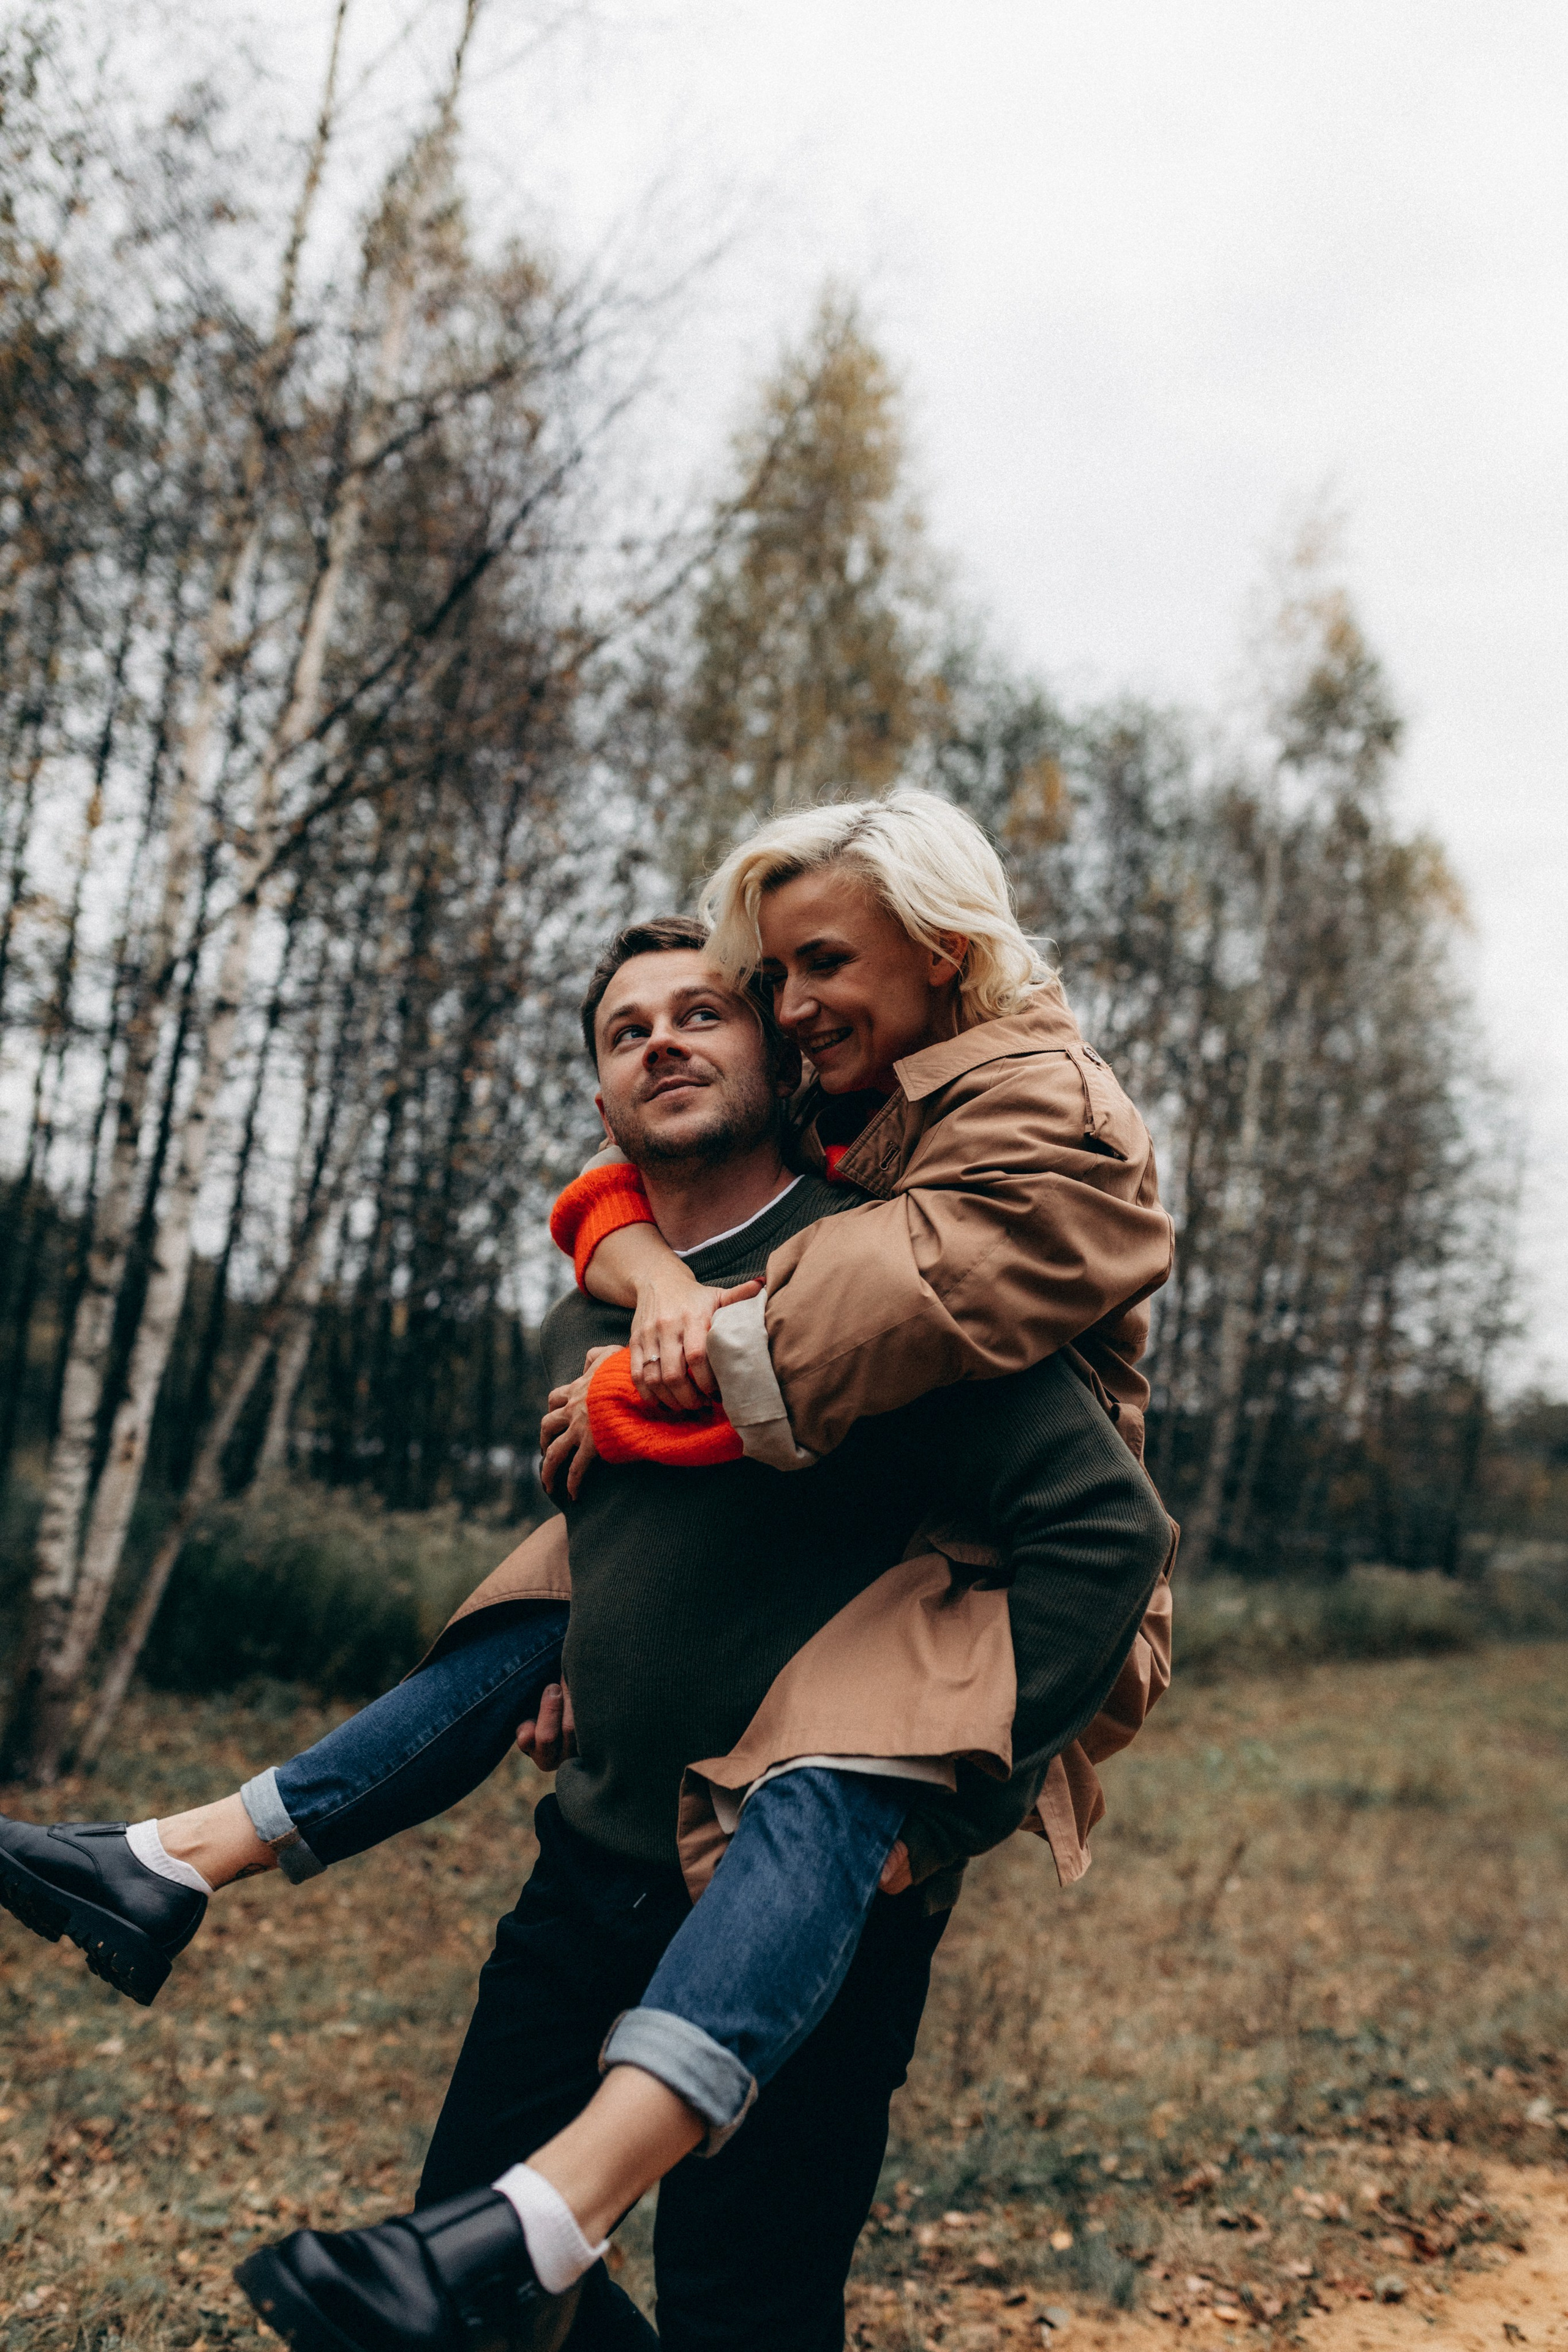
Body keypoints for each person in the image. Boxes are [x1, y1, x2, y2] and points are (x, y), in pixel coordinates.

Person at [224, 921, 1172, 2352]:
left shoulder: (886, 1277)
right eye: (624, 1031)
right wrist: (576, 1651)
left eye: (700, 1014)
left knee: (747, 2307)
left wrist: (965, 1810)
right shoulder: (627, 1291)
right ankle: (189, 1855)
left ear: (777, 1063)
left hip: (797, 1879)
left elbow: (1100, 1534)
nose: (661, 1040)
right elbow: (664, 1542)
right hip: (588, 1868)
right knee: (468, 2282)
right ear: (603, 1108)